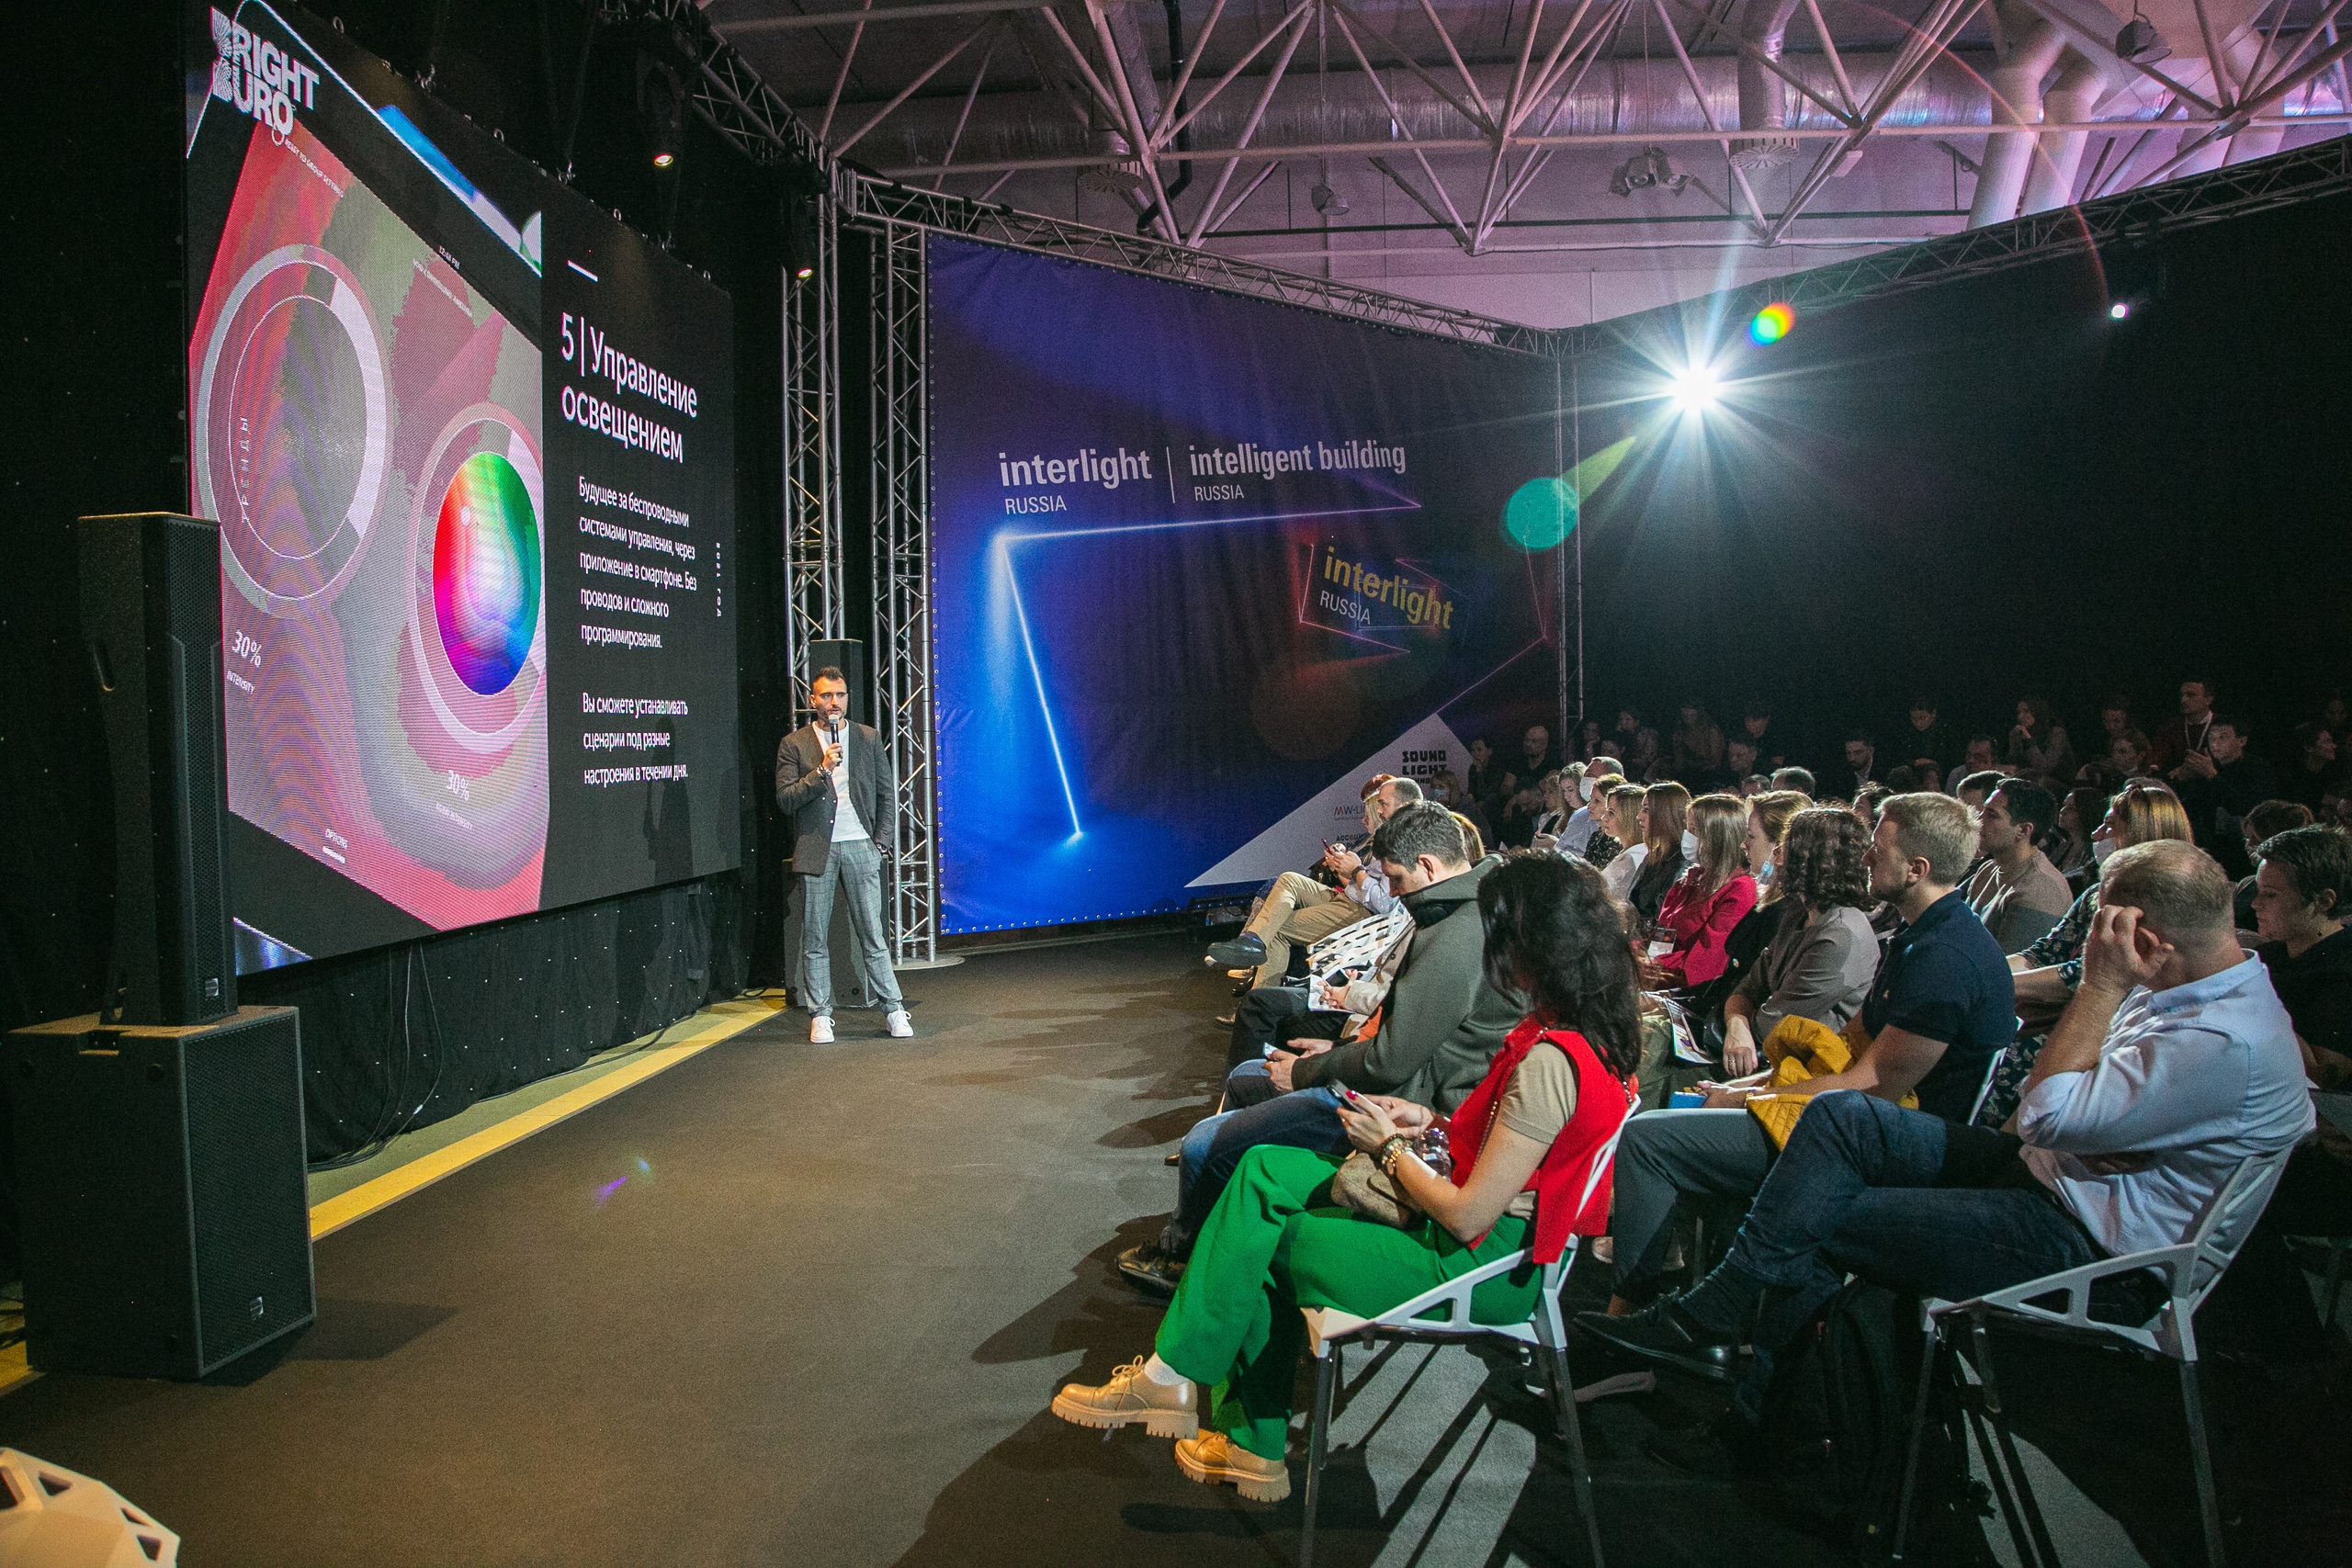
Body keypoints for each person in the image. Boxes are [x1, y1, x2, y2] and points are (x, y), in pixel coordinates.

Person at [1578, 840, 2314, 1426]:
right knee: (1838, 1121)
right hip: (2054, 1174)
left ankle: (1760, 1425)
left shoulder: (2223, 1039)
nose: (2092, 941)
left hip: (2092, 1247)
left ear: (2144, 938)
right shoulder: (2198, 991)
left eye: (2101, 927)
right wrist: (2081, 1099)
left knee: (1817, 1215)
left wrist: (2100, 987)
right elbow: (2061, 1109)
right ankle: (1720, 1313)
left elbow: (2045, 1110)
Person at [1054, 855, 1640, 1502]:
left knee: (1260, 1238)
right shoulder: (1577, 1036)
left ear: (1532, 946)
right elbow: (1516, 1153)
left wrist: (1388, 1149)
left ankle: (1235, 1425)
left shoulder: (1551, 1057)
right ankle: (1196, 1393)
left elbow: (1469, 1214)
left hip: (1481, 1266)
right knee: (1260, 1169)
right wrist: (1424, 1118)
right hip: (1488, 1243)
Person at [1598, 793, 2015, 1316]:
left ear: (1917, 869)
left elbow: (1872, 1087)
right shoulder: (1921, 937)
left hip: (1886, 1144)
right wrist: (1743, 1089)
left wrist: (1750, 1099)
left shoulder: (1945, 957)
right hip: (1848, 1121)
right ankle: (1694, 1317)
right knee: (1682, 1126)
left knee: (1647, 1139)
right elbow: (1845, 1054)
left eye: (1876, 848)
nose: (1864, 858)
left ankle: (1632, 1318)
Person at [1124, 806, 1517, 1289]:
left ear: (1430, 867)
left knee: (1206, 1145)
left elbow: (1390, 1060)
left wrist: (1311, 1071)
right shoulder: (1474, 913)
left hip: (1398, 1108)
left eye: (1394, 879)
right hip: (1405, 1093)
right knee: (1237, 1094)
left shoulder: (1459, 932)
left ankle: (1184, 1263)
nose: (1392, 893)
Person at [2208, 824, 2352, 1359]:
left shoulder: (2340, 969)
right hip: (2275, 1130)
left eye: (2271, 896)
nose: (2258, 907)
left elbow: (2322, 1072)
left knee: (2224, 1195)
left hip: (2328, 1157)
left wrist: (2248, 984)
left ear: (2322, 901)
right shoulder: (2281, 956)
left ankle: (2290, 1350)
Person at [774, 667, 911, 1043]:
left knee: (873, 934)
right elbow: (785, 800)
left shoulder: (866, 738)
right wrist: (822, 770)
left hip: (861, 846)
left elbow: (887, 794)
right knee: (814, 936)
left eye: (840, 695)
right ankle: (820, 1013)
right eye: (826, 696)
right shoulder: (795, 743)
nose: (834, 703)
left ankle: (894, 1009)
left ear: (847, 698)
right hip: (817, 849)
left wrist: (880, 843)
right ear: (812, 700)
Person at [1717, 807, 1881, 1077]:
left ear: (1818, 860)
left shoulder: (1838, 937)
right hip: (1756, 1052)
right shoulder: (1797, 913)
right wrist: (1736, 1022)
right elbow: (1747, 985)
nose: (1777, 854)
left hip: (1797, 1073)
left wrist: (1739, 1020)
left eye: (1788, 846)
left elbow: (1771, 1026)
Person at [1205, 776, 1415, 987]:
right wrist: (1344, 866)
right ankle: (1252, 941)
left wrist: (1356, 870)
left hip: (1363, 913)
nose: (1378, 811)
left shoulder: (1401, 843)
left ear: (1404, 806)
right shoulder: (1387, 835)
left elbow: (1384, 904)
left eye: (1383, 804)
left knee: (1275, 930)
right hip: (1349, 897)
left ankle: (1258, 1006)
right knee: (1288, 879)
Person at [1650, 794, 1760, 989]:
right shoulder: (1692, 878)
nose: (1687, 836)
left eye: (1694, 830)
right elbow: (1665, 932)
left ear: (1717, 837)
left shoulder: (1739, 890)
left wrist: (1649, 968)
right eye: (1688, 829)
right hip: (1660, 973)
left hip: (1683, 988)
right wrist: (1644, 956)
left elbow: (1704, 965)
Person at [1958, 779, 2075, 954]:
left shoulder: (2040, 887)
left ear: (2023, 830)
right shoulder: (1988, 869)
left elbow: (2008, 968)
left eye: (1992, 815)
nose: (1979, 821)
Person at [2171, 714, 2278, 876]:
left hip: (2243, 850)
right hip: (2209, 849)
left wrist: (2212, 776)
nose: (2215, 743)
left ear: (2241, 741)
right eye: (2212, 738)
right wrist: (2181, 779)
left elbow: (2248, 807)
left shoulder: (2256, 768)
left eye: (2223, 738)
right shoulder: (2206, 768)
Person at [1625, 783, 1691, 931]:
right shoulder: (1654, 856)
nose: (1639, 817)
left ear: (1666, 814)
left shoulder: (1682, 862)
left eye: (1647, 810)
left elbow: (1666, 919)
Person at [2146, 676, 2220, 773]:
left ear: (2208, 699)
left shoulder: (2221, 724)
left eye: (2191, 695)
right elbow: (2157, 756)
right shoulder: (2171, 726)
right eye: (2182, 695)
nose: (2183, 700)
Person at [1559, 760, 1621, 856]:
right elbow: (1558, 849)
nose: (1585, 779)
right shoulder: (1579, 815)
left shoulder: (1618, 835)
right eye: (1585, 775)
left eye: (1591, 775)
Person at [2006, 696, 2074, 782]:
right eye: (2018, 712)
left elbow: (2044, 769)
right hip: (2031, 781)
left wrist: (2028, 740)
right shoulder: (2020, 733)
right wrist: (2014, 739)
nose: (2020, 717)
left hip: (2057, 783)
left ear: (2037, 712)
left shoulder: (2057, 733)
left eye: (2026, 711)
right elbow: (2015, 763)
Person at [1595, 784, 1645, 891]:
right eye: (1606, 811)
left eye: (1611, 813)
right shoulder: (1632, 852)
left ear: (1629, 817)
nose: (1604, 818)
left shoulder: (1632, 858)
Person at [2282, 722, 2342, 810]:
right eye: (2327, 742)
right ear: (2308, 747)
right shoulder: (2293, 780)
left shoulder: (2332, 775)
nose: (2334, 746)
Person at [1670, 703, 1725, 784]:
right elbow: (1679, 761)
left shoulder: (1711, 731)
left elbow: (1716, 761)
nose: (1688, 720)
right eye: (1685, 717)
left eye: (1692, 716)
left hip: (1709, 774)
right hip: (1687, 773)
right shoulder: (1679, 733)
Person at [1895, 697, 1950, 778]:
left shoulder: (1945, 734)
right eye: (1914, 719)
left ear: (1933, 714)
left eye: (1922, 718)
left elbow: (1948, 761)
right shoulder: (1907, 734)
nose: (1918, 723)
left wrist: (1932, 763)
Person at [1825, 731, 1876, 802]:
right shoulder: (1841, 774)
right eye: (1849, 753)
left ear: (1871, 751)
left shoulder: (1885, 773)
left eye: (1858, 753)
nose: (1852, 758)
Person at [1739, 704, 1787, 771]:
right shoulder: (1743, 738)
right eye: (1747, 720)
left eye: (1755, 720)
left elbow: (1777, 767)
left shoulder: (1774, 739)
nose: (1750, 724)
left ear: (1766, 719)